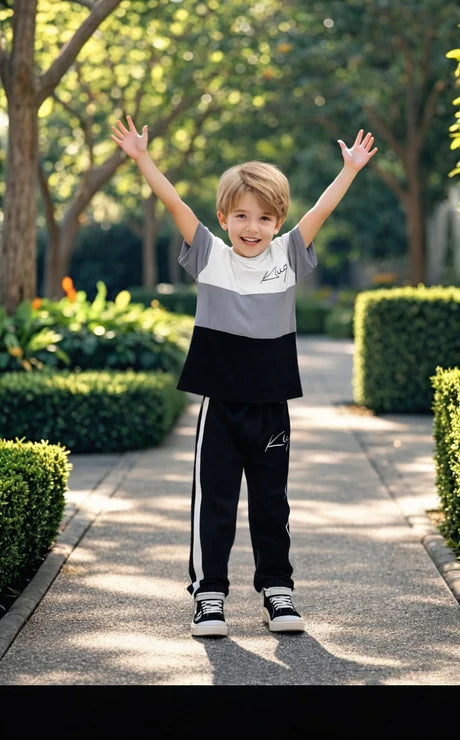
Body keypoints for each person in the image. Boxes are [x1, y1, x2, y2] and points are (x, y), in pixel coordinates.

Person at [110, 114, 377, 637]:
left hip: (271, 405)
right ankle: (209, 595)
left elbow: (322, 209)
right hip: (221, 407)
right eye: (241, 216)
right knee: (215, 501)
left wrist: (349, 170)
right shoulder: (210, 256)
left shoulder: (288, 256)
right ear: (223, 218)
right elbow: (174, 203)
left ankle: (278, 591)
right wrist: (143, 159)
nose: (252, 228)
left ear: (278, 223)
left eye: (264, 218)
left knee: (272, 503)